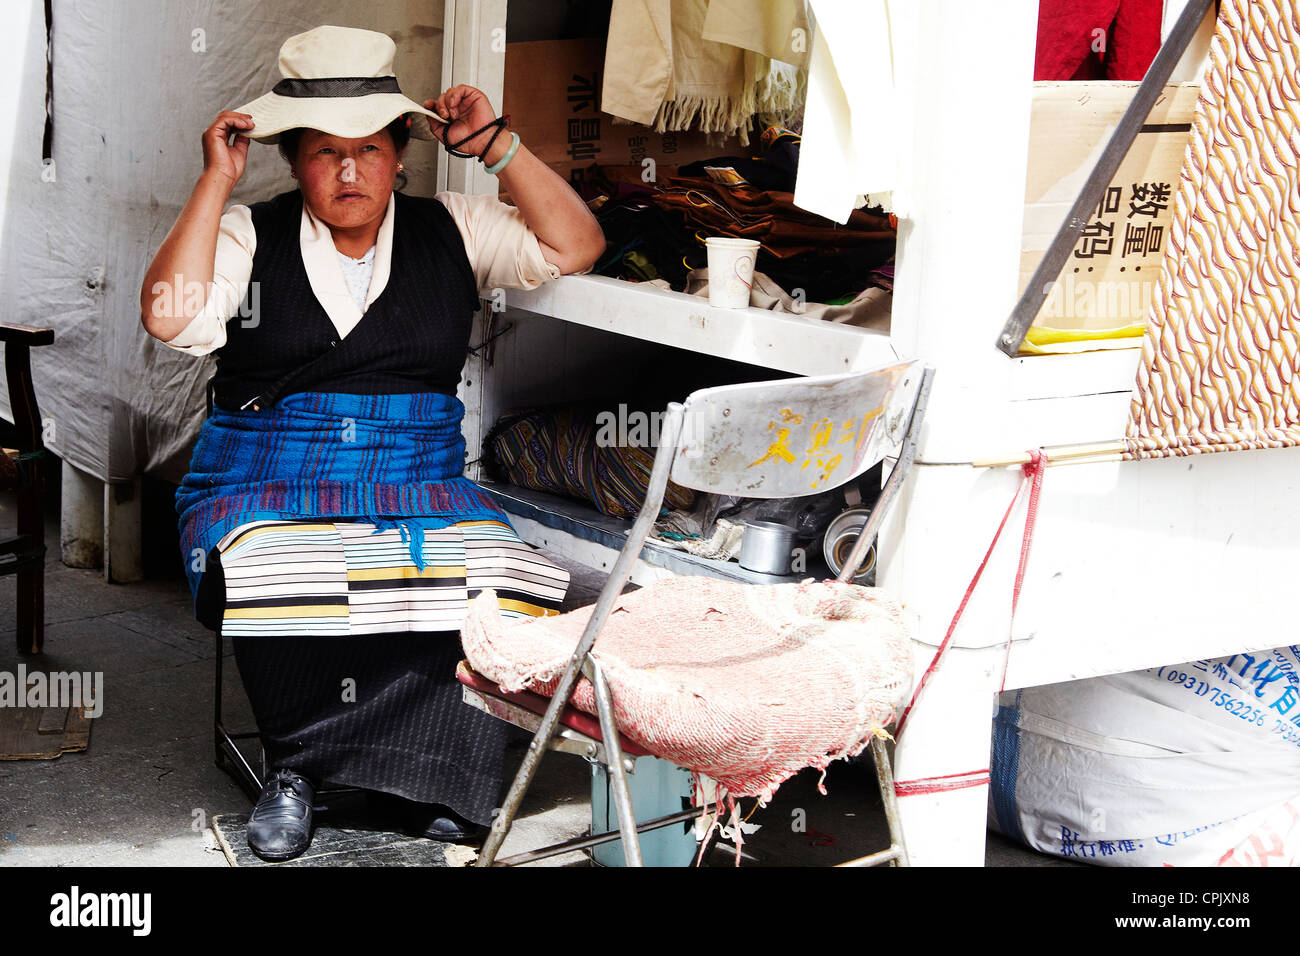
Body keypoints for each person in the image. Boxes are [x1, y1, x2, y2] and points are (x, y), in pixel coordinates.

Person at [140, 25, 605, 862]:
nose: (348, 172)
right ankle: (298, 771)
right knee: (283, 566)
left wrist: (498, 146)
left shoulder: (453, 227)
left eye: (367, 150)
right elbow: (170, 314)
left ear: (401, 152)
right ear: (292, 159)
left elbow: (576, 244)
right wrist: (215, 181)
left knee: (491, 572)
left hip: (415, 474)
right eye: (323, 153)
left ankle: (429, 776)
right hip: (269, 471)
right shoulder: (251, 236)